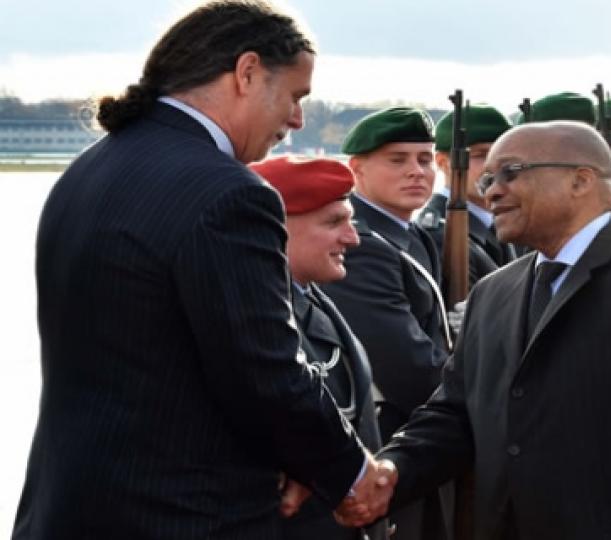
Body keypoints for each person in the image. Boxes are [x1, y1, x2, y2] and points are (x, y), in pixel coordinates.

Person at [14, 2, 390, 537]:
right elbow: (265, 373)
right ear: (247, 72)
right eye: (294, 96)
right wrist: (352, 473)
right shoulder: (227, 192)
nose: (297, 120)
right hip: (185, 515)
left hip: (71, 507)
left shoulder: (91, 167)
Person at [368, 120, 611, 539]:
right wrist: (385, 473)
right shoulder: (495, 292)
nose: (492, 190)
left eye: (512, 172)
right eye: (488, 178)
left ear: (580, 180)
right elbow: (455, 414)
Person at [323, 106, 453, 540]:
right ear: (357, 168)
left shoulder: (408, 234)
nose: (416, 172)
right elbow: (407, 367)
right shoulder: (363, 244)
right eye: (397, 160)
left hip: (419, 439)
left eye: (424, 159)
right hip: (391, 441)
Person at [250, 156, 388, 540]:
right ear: (273, 228)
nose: (353, 237)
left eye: (349, 220)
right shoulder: (255, 317)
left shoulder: (308, 297)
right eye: (333, 223)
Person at [416, 103, 516, 290]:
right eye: (481, 155)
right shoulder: (441, 235)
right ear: (443, 162)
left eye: (505, 157)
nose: (494, 167)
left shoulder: (498, 223)